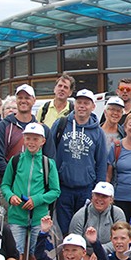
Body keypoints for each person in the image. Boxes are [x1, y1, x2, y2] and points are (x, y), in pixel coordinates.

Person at [1, 123, 61, 260]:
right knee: (17, 257)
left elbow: (55, 191)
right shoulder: (16, 161)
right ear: (23, 140)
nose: (31, 142)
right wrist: (11, 197)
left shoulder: (48, 163)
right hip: (17, 216)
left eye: (35, 138)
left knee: (36, 256)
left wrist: (37, 200)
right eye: (28, 138)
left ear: (43, 141)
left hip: (38, 216)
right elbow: (5, 185)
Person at [50, 88, 108, 234]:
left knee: (83, 229)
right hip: (63, 187)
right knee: (64, 230)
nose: (82, 106)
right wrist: (52, 183)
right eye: (79, 102)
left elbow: (101, 163)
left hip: (86, 189)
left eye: (86, 103)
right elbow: (50, 153)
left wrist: (98, 191)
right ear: (74, 104)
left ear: (93, 106)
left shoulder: (98, 132)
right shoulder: (61, 124)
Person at [0, 84, 53, 178]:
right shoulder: (3, 126)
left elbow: (50, 160)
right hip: (10, 185)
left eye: (27, 98)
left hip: (36, 186)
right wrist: (14, 178)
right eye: (20, 98)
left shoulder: (43, 129)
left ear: (34, 100)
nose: (23, 101)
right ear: (16, 100)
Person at [68, 181, 126, 248]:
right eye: (97, 195)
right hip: (85, 254)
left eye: (104, 196)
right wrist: (84, 256)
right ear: (92, 196)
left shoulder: (118, 214)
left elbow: (122, 240)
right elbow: (74, 243)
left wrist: (100, 251)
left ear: (111, 199)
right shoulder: (80, 215)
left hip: (110, 253)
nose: (100, 199)